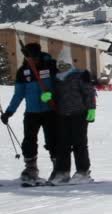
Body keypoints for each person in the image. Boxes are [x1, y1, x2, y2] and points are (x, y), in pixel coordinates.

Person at [0, 43, 58, 184]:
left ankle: (58, 168)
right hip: (31, 112)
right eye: (29, 57)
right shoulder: (22, 71)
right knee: (29, 141)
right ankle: (31, 169)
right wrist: (9, 112)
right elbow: (18, 95)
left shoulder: (50, 66)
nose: (32, 60)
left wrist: (51, 95)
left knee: (53, 140)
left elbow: (61, 86)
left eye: (34, 57)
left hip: (50, 111)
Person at [46, 48, 96, 185]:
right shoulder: (56, 79)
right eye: (60, 65)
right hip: (62, 115)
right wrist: (49, 96)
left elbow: (89, 93)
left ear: (70, 64)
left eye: (65, 65)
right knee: (63, 145)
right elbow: (55, 96)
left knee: (79, 144)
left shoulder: (80, 75)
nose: (62, 68)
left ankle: (83, 171)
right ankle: (63, 172)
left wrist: (92, 110)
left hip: (79, 114)